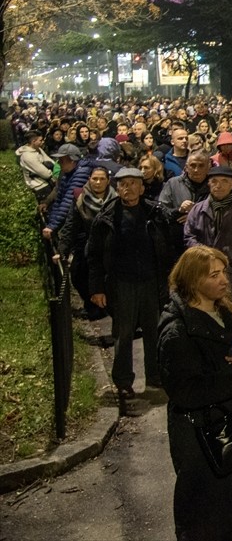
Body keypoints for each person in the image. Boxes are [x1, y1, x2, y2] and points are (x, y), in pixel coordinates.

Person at [157, 245, 232, 541]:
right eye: (214, 275)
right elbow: (185, 391)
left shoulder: (224, 310)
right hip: (206, 441)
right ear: (194, 281)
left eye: (224, 273)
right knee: (210, 522)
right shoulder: (177, 331)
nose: (224, 280)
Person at [87, 167, 176, 411]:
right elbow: (93, 256)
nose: (129, 188)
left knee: (155, 331)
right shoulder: (107, 217)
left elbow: (169, 246)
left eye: (134, 183)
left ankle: (156, 376)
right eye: (123, 183)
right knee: (123, 334)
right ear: (117, 188)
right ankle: (124, 382)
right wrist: (97, 288)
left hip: (151, 282)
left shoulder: (154, 213)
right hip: (122, 283)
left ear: (142, 187)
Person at [183, 165, 232, 341]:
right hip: (203, 276)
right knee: (206, 325)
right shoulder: (198, 209)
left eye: (224, 181)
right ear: (208, 184)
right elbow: (189, 236)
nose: (219, 185)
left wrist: (220, 259)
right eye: (214, 181)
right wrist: (206, 258)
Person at [55, 165, 116, 324]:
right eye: (94, 178)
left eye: (102, 179)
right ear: (89, 179)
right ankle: (92, 305)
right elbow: (71, 225)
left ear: (108, 181)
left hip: (112, 246)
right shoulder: (80, 198)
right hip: (89, 244)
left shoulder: (116, 198)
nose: (98, 182)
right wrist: (62, 250)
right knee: (78, 274)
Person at [17, 129, 56, 204]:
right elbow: (46, 174)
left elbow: (51, 162)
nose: (42, 142)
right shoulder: (28, 156)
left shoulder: (38, 149)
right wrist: (51, 169)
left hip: (47, 183)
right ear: (33, 141)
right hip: (40, 187)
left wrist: (52, 167)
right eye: (40, 140)